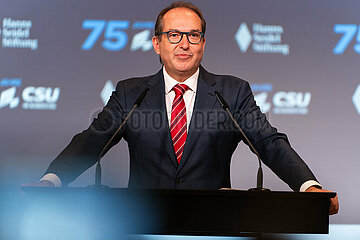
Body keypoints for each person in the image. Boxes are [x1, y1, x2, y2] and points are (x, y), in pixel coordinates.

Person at [31, 1, 338, 215]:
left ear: (203, 44)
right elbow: (91, 141)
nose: (184, 44)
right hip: (144, 224)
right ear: (157, 43)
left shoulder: (232, 92)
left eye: (193, 35)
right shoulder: (130, 92)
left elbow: (269, 144)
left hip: (213, 225)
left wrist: (308, 187)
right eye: (174, 35)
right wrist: (52, 180)